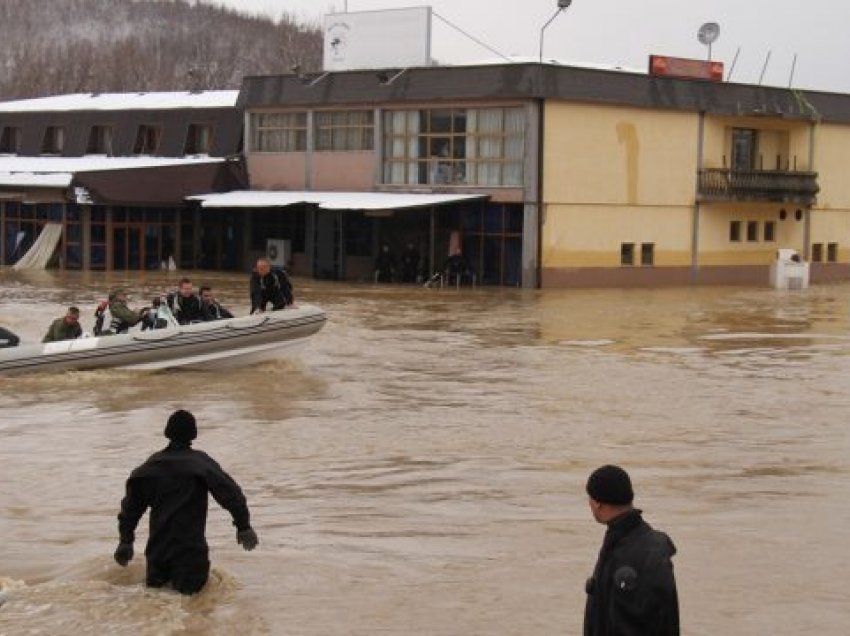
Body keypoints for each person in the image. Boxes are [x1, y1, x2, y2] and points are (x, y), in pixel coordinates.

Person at [114, 410, 258, 595]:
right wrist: (243, 526)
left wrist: (126, 541)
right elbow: (231, 494)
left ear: (167, 433)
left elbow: (130, 510)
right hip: (190, 552)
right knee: (195, 609)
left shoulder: (148, 469)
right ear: (194, 434)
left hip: (158, 553)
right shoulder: (200, 464)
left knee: (158, 606)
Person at [583, 465, 679, 636]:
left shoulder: (621, 554)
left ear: (597, 503)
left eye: (589, 498)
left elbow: (621, 624)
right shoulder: (650, 544)